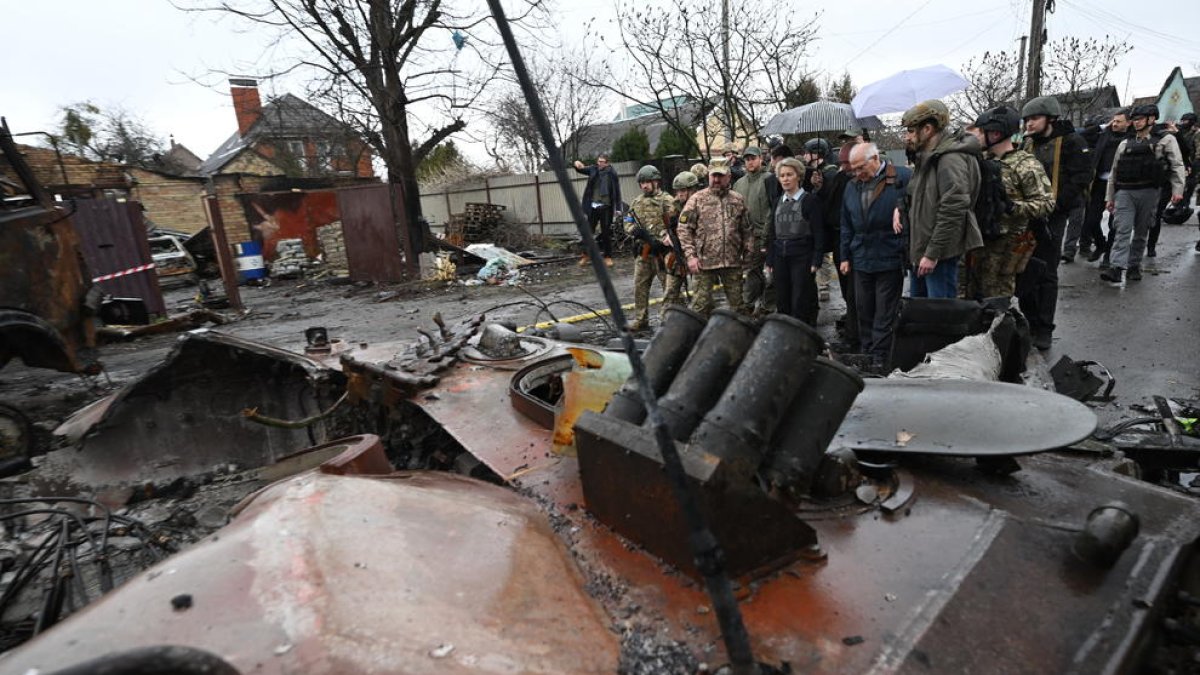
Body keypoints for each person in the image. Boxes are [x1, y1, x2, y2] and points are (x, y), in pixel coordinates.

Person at [1019, 95, 1092, 350]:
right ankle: (1029, 321)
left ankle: (1045, 329)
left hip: (1054, 216)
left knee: (1047, 272)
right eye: (1027, 119)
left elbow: (1081, 177)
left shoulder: (1072, 142)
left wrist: (1055, 205)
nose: (1029, 123)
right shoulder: (1026, 145)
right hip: (1028, 216)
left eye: (1034, 118)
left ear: (1050, 118)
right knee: (1025, 270)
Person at [962, 106, 1055, 301]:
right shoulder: (982, 161)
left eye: (980, 132)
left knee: (997, 301)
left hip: (1006, 247)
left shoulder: (1025, 164)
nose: (976, 137)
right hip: (980, 243)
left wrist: (1014, 207)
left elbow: (1046, 203)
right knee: (972, 297)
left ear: (995, 134)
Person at [899, 99, 984, 298]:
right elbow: (917, 197)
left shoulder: (949, 159)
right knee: (920, 316)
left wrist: (932, 254)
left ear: (927, 129)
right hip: (923, 252)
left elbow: (953, 208)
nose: (906, 137)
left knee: (940, 317)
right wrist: (899, 207)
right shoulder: (927, 157)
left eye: (911, 131)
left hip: (939, 256)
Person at [839, 143, 910, 367]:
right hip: (861, 255)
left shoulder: (902, 177)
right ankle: (867, 350)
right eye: (854, 169)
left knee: (884, 311)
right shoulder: (852, 186)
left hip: (889, 253)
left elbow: (917, 209)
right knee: (864, 308)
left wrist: (902, 210)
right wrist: (844, 256)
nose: (858, 173)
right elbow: (846, 223)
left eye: (861, 167)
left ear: (876, 158)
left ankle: (880, 356)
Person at [1100, 104, 1186, 284]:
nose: (1136, 122)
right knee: (1121, 229)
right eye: (1135, 119)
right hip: (1125, 192)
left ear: (1152, 119)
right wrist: (1110, 197)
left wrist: (1178, 190)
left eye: (1140, 118)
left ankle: (1133, 266)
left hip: (1150, 192)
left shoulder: (1165, 140)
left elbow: (1177, 165)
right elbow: (1114, 172)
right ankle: (1116, 267)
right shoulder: (1125, 143)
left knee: (1141, 231)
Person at [678, 157, 755, 317]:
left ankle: (739, 337)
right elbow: (683, 228)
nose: (716, 179)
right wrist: (691, 256)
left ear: (728, 176)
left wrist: (748, 254)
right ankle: (697, 339)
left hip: (732, 261)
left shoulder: (737, 199)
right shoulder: (697, 200)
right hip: (704, 262)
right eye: (713, 176)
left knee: (738, 307)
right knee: (699, 306)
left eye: (720, 176)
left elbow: (747, 230)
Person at [765, 158, 824, 324]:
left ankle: (805, 332)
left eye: (789, 174)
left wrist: (817, 259)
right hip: (780, 256)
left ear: (799, 176)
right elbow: (773, 232)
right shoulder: (777, 202)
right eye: (782, 175)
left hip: (802, 256)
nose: (785, 179)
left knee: (801, 298)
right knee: (782, 298)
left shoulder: (810, 201)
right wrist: (770, 258)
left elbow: (819, 232)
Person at [625, 165, 677, 332]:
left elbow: (675, 225)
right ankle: (641, 319)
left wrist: (663, 241)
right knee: (639, 286)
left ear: (656, 182)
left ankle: (671, 319)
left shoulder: (667, 201)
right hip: (643, 253)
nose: (644, 186)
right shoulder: (636, 202)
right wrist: (635, 231)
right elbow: (627, 223)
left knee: (669, 288)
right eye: (642, 183)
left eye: (648, 182)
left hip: (662, 253)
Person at [732, 146, 779, 317]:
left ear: (761, 158)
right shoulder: (739, 184)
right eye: (747, 159)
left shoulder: (769, 179)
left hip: (767, 235)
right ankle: (750, 304)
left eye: (753, 158)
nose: (750, 162)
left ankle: (768, 305)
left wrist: (767, 234)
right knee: (753, 272)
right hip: (748, 237)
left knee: (772, 273)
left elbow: (771, 209)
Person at [1089, 110, 1131, 266]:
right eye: (1113, 121)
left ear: (1128, 123)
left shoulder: (1132, 138)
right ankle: (1101, 245)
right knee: (1091, 221)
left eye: (1119, 121)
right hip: (1099, 183)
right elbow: (1083, 134)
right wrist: (1102, 126)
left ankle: (1108, 256)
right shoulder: (1104, 134)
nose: (1114, 124)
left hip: (1119, 185)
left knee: (1114, 224)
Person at [662, 171, 701, 314]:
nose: (680, 194)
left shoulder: (702, 203)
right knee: (670, 291)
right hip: (678, 253)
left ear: (693, 189)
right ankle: (666, 322)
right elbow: (665, 227)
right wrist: (667, 236)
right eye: (677, 190)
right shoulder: (674, 205)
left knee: (701, 294)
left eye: (683, 190)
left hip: (697, 254)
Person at [573, 154, 621, 267]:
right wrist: (576, 163)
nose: (600, 164)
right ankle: (586, 255)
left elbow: (617, 192)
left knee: (606, 233)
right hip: (593, 207)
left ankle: (608, 257)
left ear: (607, 163)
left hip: (606, 207)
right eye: (599, 161)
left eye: (602, 162)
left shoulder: (612, 174)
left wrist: (618, 208)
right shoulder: (593, 169)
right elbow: (581, 169)